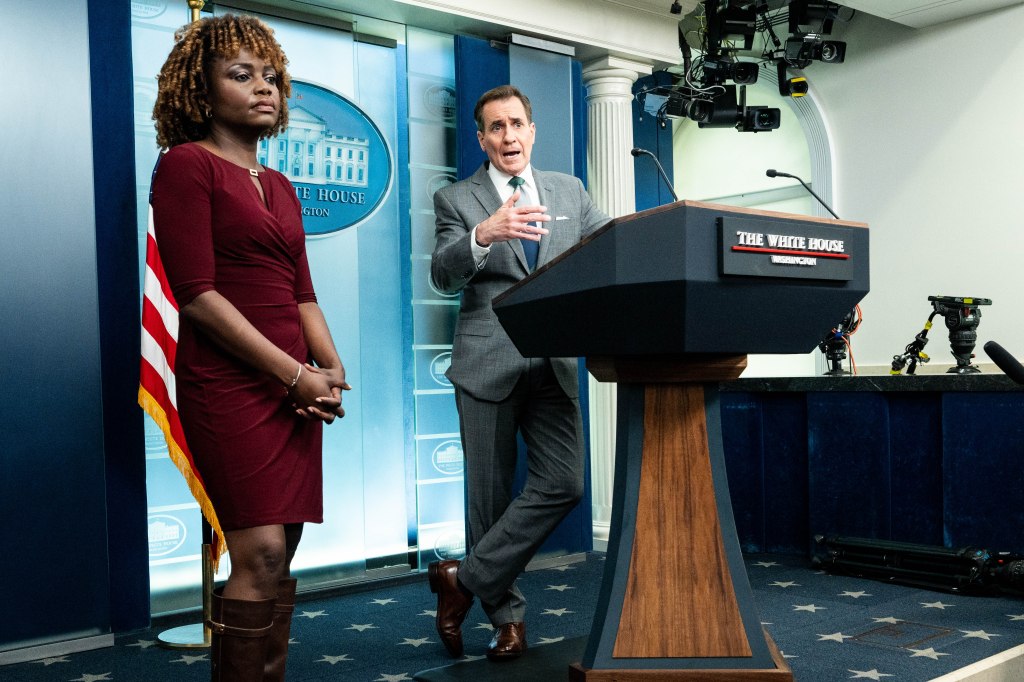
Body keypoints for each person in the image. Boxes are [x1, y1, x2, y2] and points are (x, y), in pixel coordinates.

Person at [150, 15, 350, 682]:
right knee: (259, 549)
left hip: (293, 385)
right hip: (230, 384)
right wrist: (295, 373)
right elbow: (198, 295)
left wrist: (330, 365)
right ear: (201, 94)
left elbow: (302, 293)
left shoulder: (283, 186)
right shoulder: (186, 166)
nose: (264, 88)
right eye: (241, 75)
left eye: (270, 77)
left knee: (280, 551)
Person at [428, 85, 610, 661]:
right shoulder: (456, 198)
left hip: (553, 360)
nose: (508, 136)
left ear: (532, 130)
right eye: (495, 128)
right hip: (487, 363)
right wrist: (484, 234)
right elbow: (441, 275)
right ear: (482, 139)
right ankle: (507, 618)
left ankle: (461, 580)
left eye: (516, 124)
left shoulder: (569, 190)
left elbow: (611, 246)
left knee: (565, 483)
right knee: (487, 502)